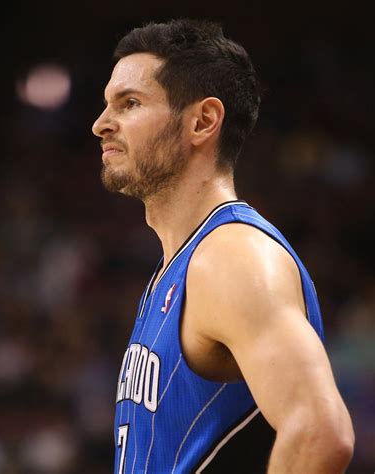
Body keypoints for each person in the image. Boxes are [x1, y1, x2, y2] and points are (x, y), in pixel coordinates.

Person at [91, 19, 354, 473]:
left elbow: (320, 434)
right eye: (107, 105)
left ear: (203, 121)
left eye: (129, 103)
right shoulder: (181, 264)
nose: (100, 124)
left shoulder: (232, 256)